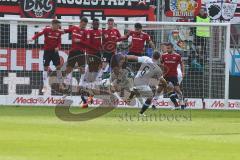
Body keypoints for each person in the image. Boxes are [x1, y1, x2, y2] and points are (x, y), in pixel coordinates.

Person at [126, 51, 167, 116]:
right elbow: (163, 80)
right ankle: (141, 113)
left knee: (137, 89)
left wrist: (125, 57)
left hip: (136, 79)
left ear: (152, 55)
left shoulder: (146, 59)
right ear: (159, 58)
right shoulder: (158, 69)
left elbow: (134, 57)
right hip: (142, 83)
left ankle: (129, 98)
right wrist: (165, 85)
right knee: (150, 98)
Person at [29, 19, 63, 93]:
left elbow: (59, 42)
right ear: (53, 24)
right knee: (45, 68)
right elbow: (38, 34)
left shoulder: (59, 32)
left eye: (59, 25)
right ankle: (45, 86)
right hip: (47, 52)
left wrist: (58, 47)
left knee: (58, 67)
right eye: (57, 25)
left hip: (54, 52)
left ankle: (60, 84)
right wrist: (32, 39)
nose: (58, 26)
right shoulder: (46, 29)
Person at [161, 43, 185, 110]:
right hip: (165, 76)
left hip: (174, 76)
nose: (167, 49)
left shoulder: (177, 56)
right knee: (167, 90)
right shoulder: (163, 56)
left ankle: (182, 103)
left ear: (172, 48)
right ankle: (177, 105)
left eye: (169, 48)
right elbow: (161, 64)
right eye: (167, 48)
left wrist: (183, 72)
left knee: (177, 90)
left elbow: (182, 63)